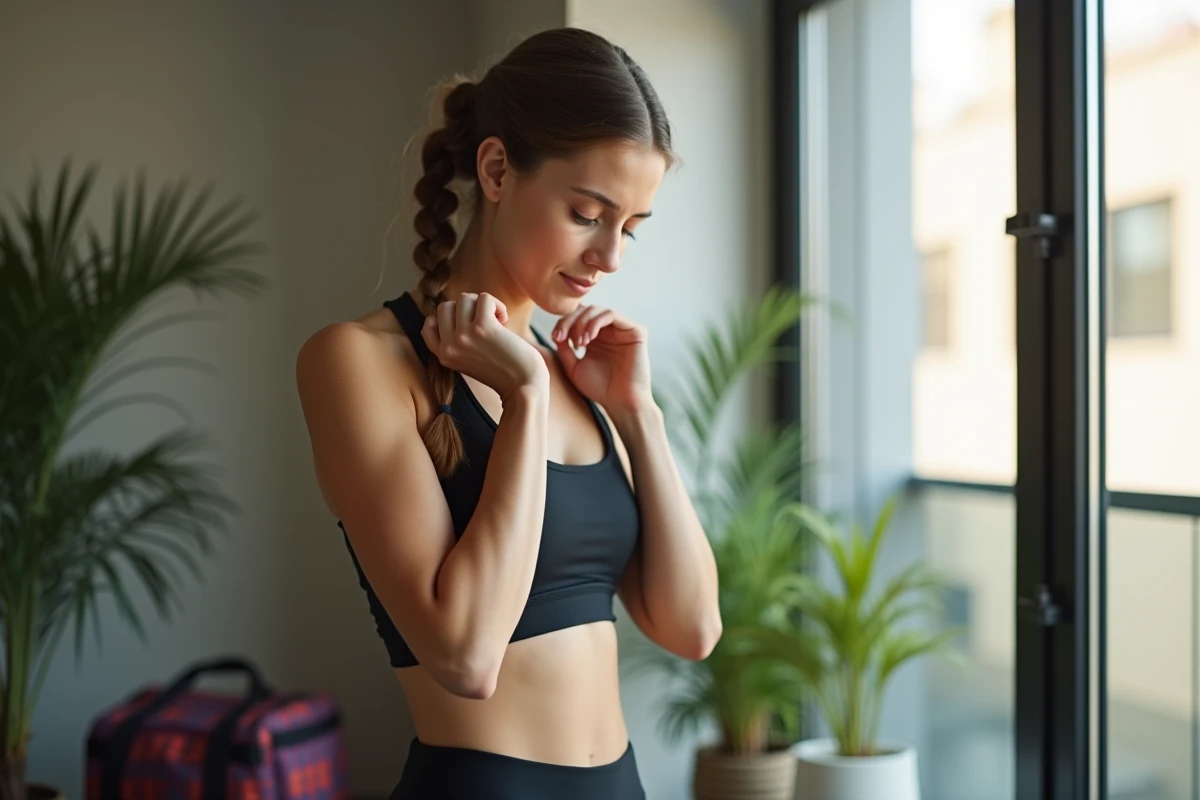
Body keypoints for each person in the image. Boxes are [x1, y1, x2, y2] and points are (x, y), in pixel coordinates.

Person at [295, 26, 721, 800]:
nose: (611, 256)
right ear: (496, 169)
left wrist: (637, 414)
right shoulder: (359, 362)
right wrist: (523, 399)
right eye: (588, 212)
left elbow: (691, 629)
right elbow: (464, 656)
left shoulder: (580, 376)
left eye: (630, 227)